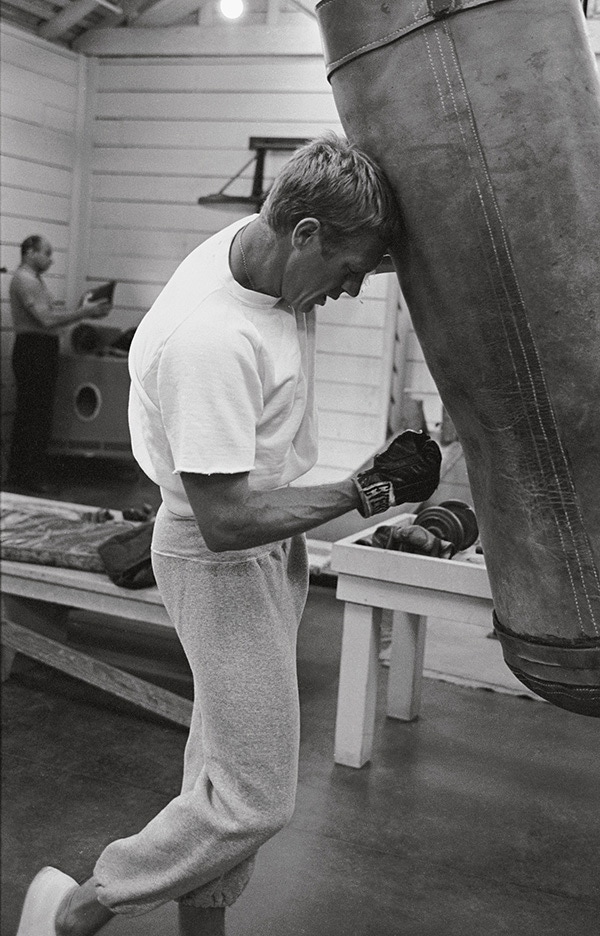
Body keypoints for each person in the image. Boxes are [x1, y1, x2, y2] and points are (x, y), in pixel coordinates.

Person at [16, 135, 442, 936]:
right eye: (349, 270)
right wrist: (368, 489)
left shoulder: (268, 248)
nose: (351, 290)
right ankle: (80, 906)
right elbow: (226, 522)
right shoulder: (212, 338)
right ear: (307, 233)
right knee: (256, 798)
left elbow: (354, 237)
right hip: (224, 555)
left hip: (263, 540)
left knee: (219, 777)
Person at [5, 235, 112, 494]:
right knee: (33, 414)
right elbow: (45, 319)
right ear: (30, 252)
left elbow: (50, 316)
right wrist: (84, 313)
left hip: (39, 348)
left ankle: (24, 472)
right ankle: (26, 475)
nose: (51, 260)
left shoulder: (35, 281)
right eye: (46, 253)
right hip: (33, 349)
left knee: (37, 412)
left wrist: (80, 309)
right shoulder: (25, 280)